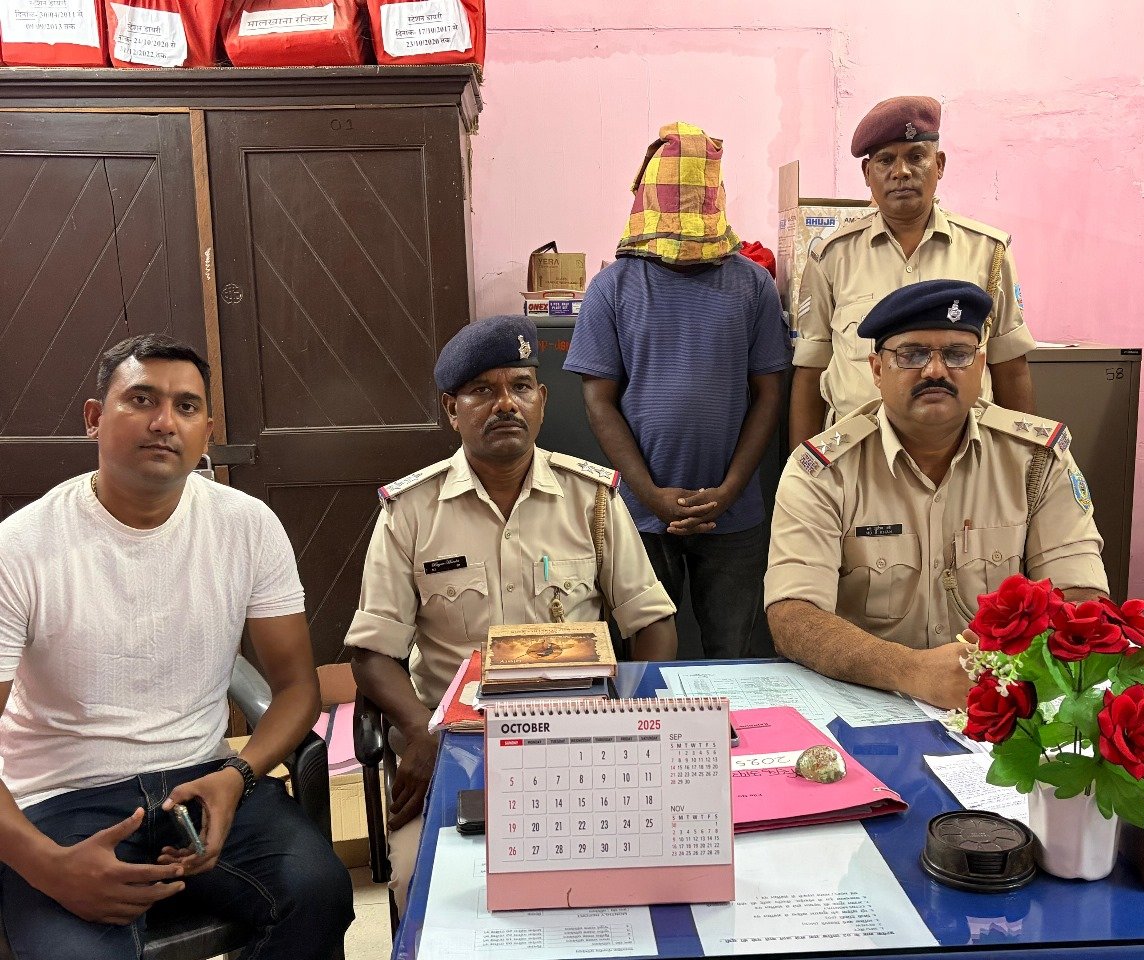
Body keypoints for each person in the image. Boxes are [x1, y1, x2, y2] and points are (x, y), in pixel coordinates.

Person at [0, 334, 352, 959]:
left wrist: (239, 774)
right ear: (93, 418)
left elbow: (298, 688)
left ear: (206, 432)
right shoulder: (21, 548)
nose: (165, 422)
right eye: (142, 399)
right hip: (59, 801)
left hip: (200, 777)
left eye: (186, 407)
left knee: (318, 893)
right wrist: (48, 866)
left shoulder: (246, 526)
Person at [344, 315, 677, 910]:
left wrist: (628, 721)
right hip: (456, 744)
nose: (505, 404)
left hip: (581, 740)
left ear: (542, 400)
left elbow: (650, 620)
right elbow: (372, 653)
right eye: (482, 391)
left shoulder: (592, 499)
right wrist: (420, 733)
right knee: (424, 882)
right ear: (452, 409)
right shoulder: (410, 510)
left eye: (520, 386)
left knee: (629, 873)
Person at [767, 281, 1107, 710]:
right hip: (868, 701)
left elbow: (1081, 595)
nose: (935, 371)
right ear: (877, 370)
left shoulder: (1037, 461)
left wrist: (1002, 668)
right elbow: (793, 616)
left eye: (957, 354)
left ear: (980, 365)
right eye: (911, 354)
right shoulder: (823, 472)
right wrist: (912, 671)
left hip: (1000, 699)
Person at [564, 121, 790, 658]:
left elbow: (769, 394)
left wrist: (730, 489)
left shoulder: (752, 284)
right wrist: (649, 494)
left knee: (732, 656)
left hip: (733, 516)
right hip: (641, 517)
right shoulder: (612, 287)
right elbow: (599, 400)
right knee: (642, 662)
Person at [789, 95, 1038, 449]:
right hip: (858, 459)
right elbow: (810, 373)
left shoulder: (987, 252)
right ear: (867, 173)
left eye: (916, 157)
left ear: (939, 164)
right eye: (885, 160)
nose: (901, 172)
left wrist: (1023, 463)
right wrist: (803, 469)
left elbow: (1010, 369)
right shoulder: (832, 257)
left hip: (963, 458)